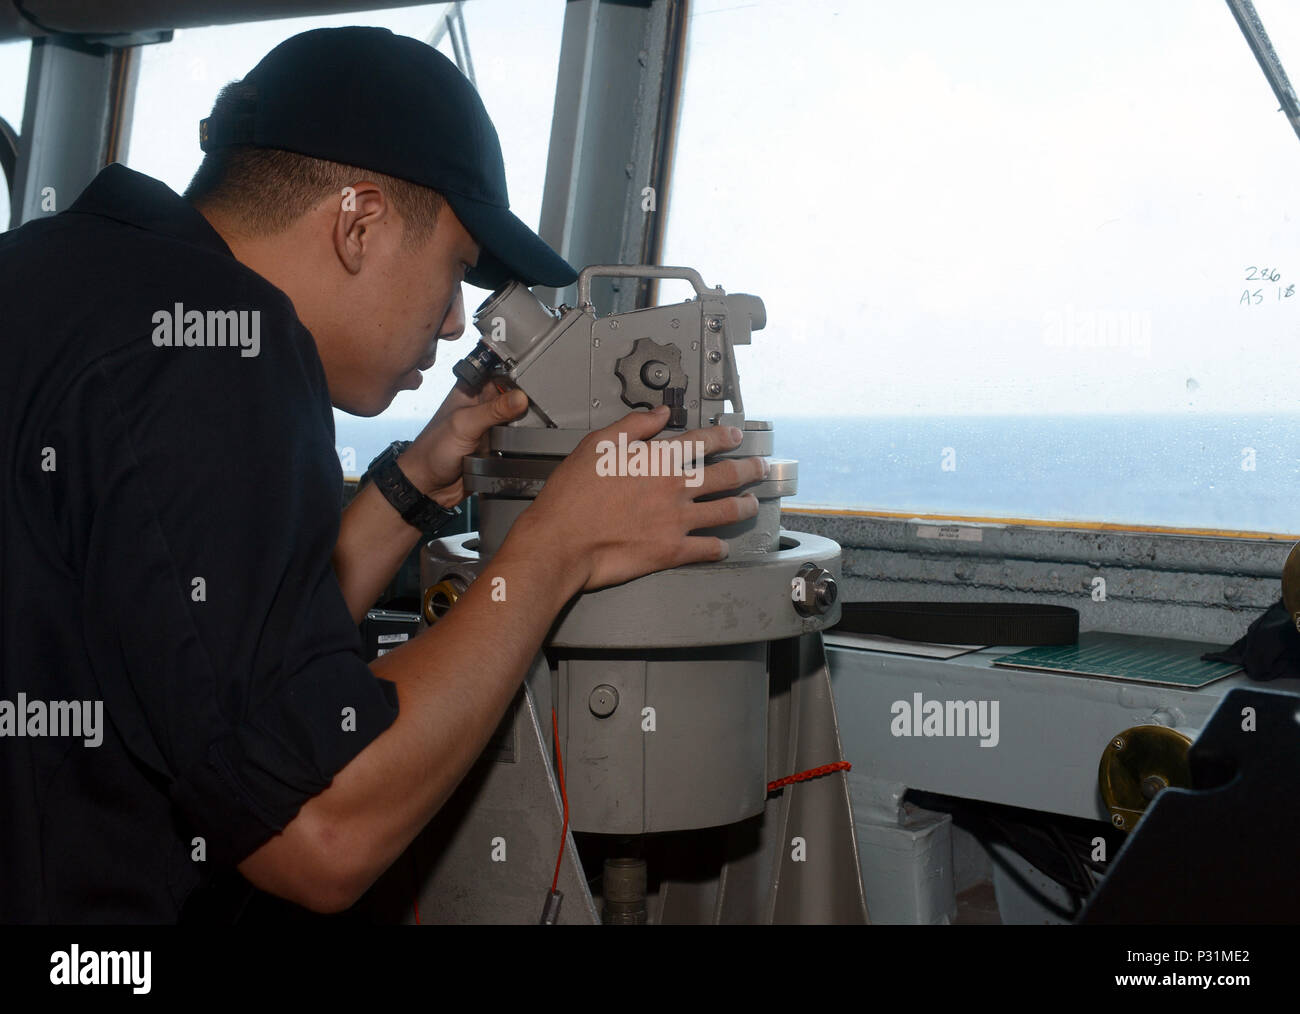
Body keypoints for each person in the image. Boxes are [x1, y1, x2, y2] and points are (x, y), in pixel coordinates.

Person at [0, 26, 763, 922]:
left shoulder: (62, 276)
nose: (451, 325)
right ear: (359, 224)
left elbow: (203, 638)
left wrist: (412, 482)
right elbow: (320, 831)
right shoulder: (225, 346)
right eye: (455, 272)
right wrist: (563, 541)